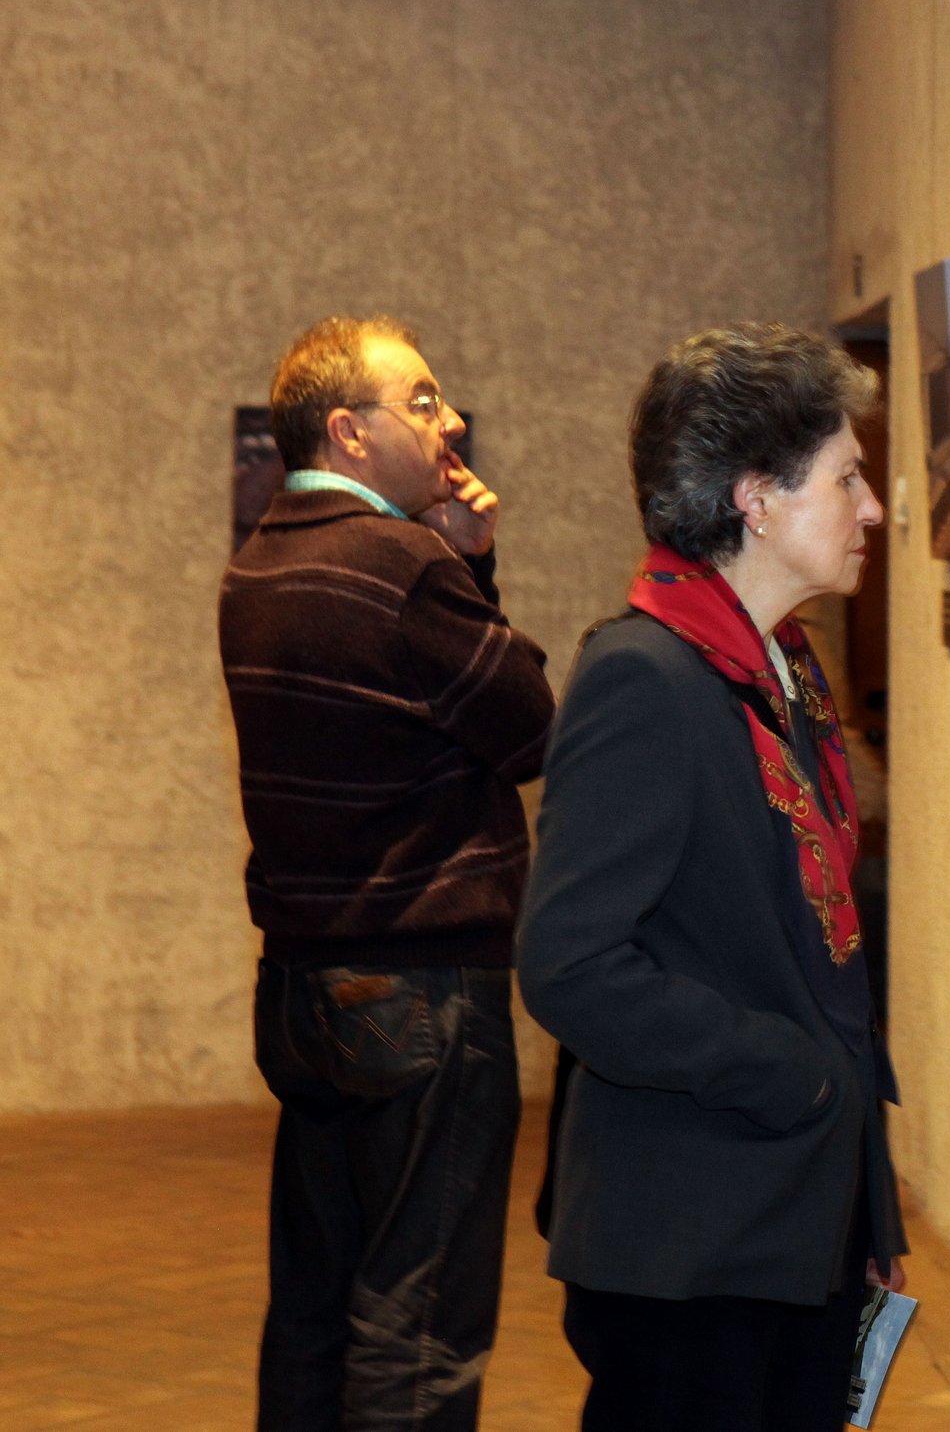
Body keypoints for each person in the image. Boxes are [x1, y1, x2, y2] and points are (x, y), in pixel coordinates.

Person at [518, 321, 906, 1432]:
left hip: (788, 1217)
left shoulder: (780, 667)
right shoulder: (644, 679)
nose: (872, 506)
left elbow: (817, 965)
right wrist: (789, 1075)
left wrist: (861, 1202)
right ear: (756, 498)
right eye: (846, 476)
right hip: (688, 1242)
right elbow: (572, 962)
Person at [218, 315, 555, 1431]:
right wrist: (469, 559)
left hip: (304, 993)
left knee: (314, 1306)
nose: (450, 420)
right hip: (421, 992)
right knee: (416, 1325)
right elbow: (527, 728)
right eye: (421, 401)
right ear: (350, 433)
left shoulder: (258, 559)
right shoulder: (404, 565)